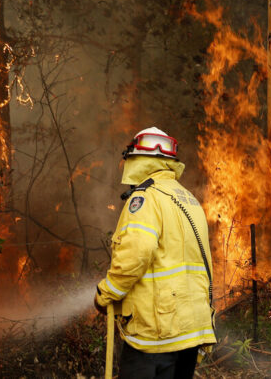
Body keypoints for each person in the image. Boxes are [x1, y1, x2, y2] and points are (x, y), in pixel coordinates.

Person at [94, 127, 216, 379]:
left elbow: (135, 255)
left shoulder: (145, 198)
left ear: (137, 160)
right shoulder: (189, 199)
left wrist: (106, 294)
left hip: (157, 333)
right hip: (191, 331)